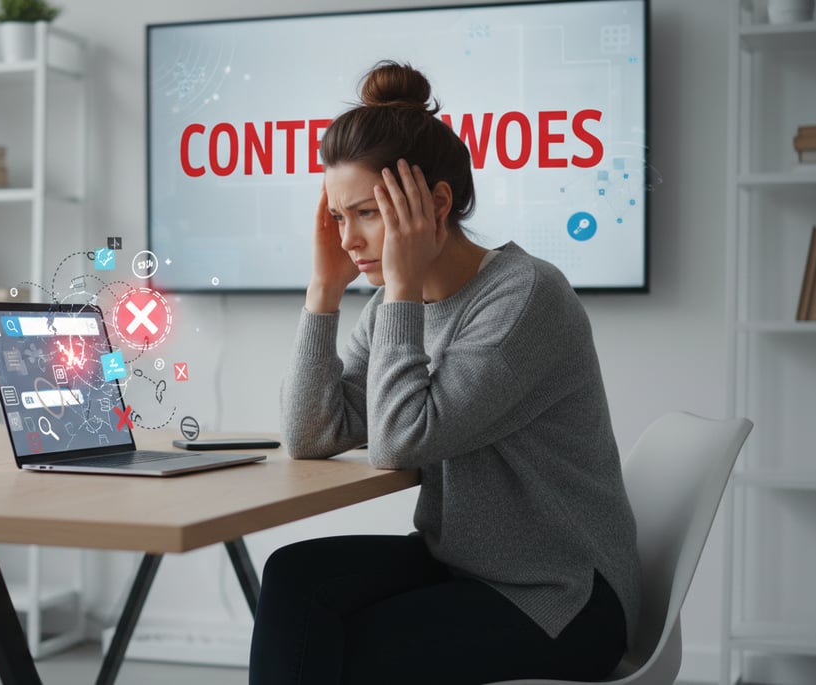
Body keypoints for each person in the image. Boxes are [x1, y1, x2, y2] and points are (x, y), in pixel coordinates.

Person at [248, 61, 641, 685]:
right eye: (339, 217)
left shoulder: (526, 296)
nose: (349, 239)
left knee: (338, 653)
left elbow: (402, 440)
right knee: (294, 578)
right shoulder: (389, 308)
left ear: (435, 203)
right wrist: (323, 292)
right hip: (462, 564)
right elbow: (311, 434)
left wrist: (401, 287)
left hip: (559, 595)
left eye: (367, 214)